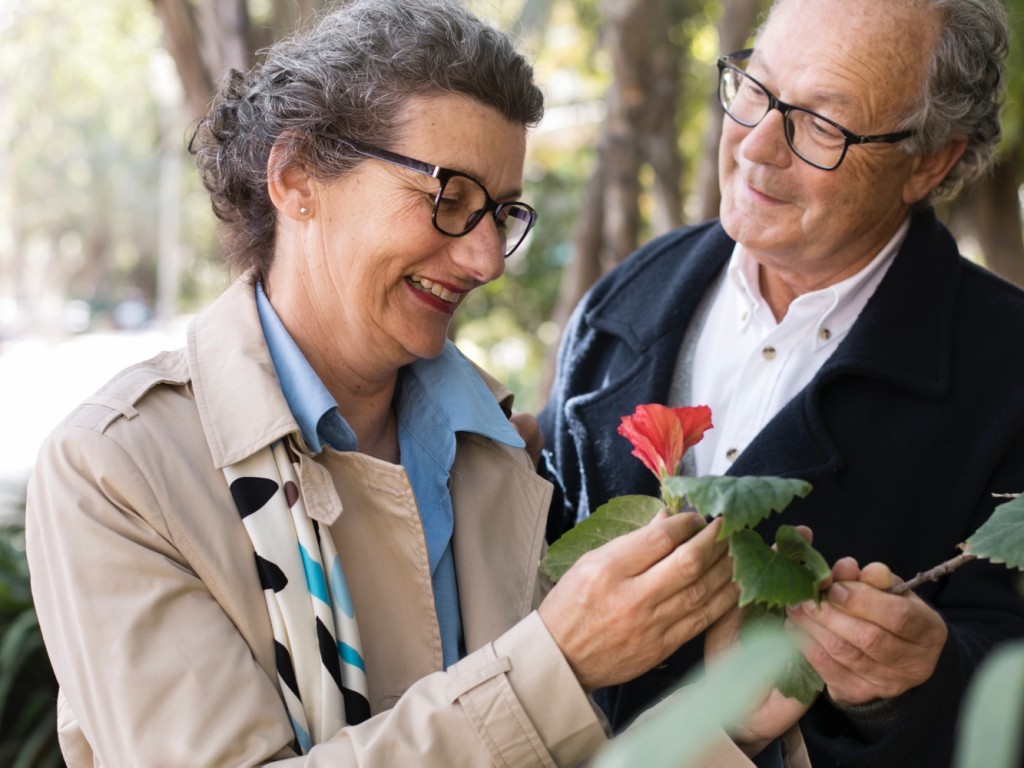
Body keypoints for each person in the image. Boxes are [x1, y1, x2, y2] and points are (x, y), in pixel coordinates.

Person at [24, 1, 807, 765]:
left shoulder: (498, 447)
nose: (487, 260)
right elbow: (528, 711)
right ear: (298, 179)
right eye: (449, 198)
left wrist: (727, 728)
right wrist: (555, 665)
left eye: (500, 212)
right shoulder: (116, 473)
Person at [540, 0, 1024, 766]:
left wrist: (914, 686)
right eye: (755, 89)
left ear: (931, 160)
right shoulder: (631, 294)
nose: (757, 145)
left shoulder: (1008, 371)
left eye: (822, 126)